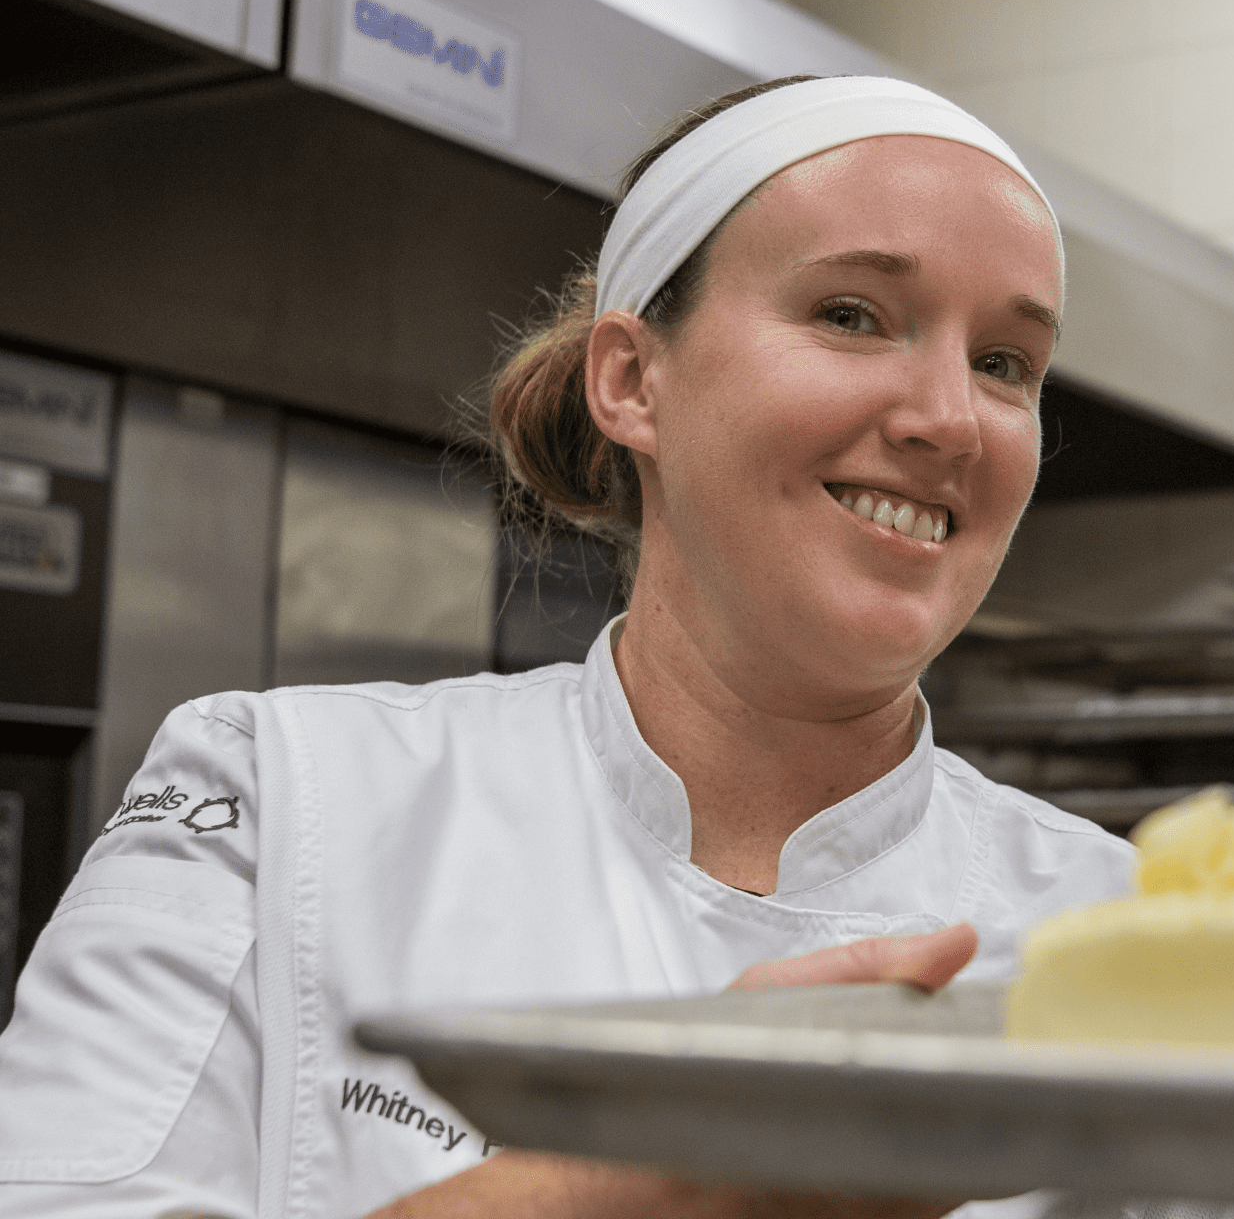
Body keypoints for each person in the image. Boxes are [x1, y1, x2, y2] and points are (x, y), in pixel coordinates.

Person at [0, 74, 1135, 1218]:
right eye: (849, 314)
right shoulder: (278, 794)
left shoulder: (1128, 935)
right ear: (632, 379)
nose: (945, 417)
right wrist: (671, 1172)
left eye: (1005, 364)